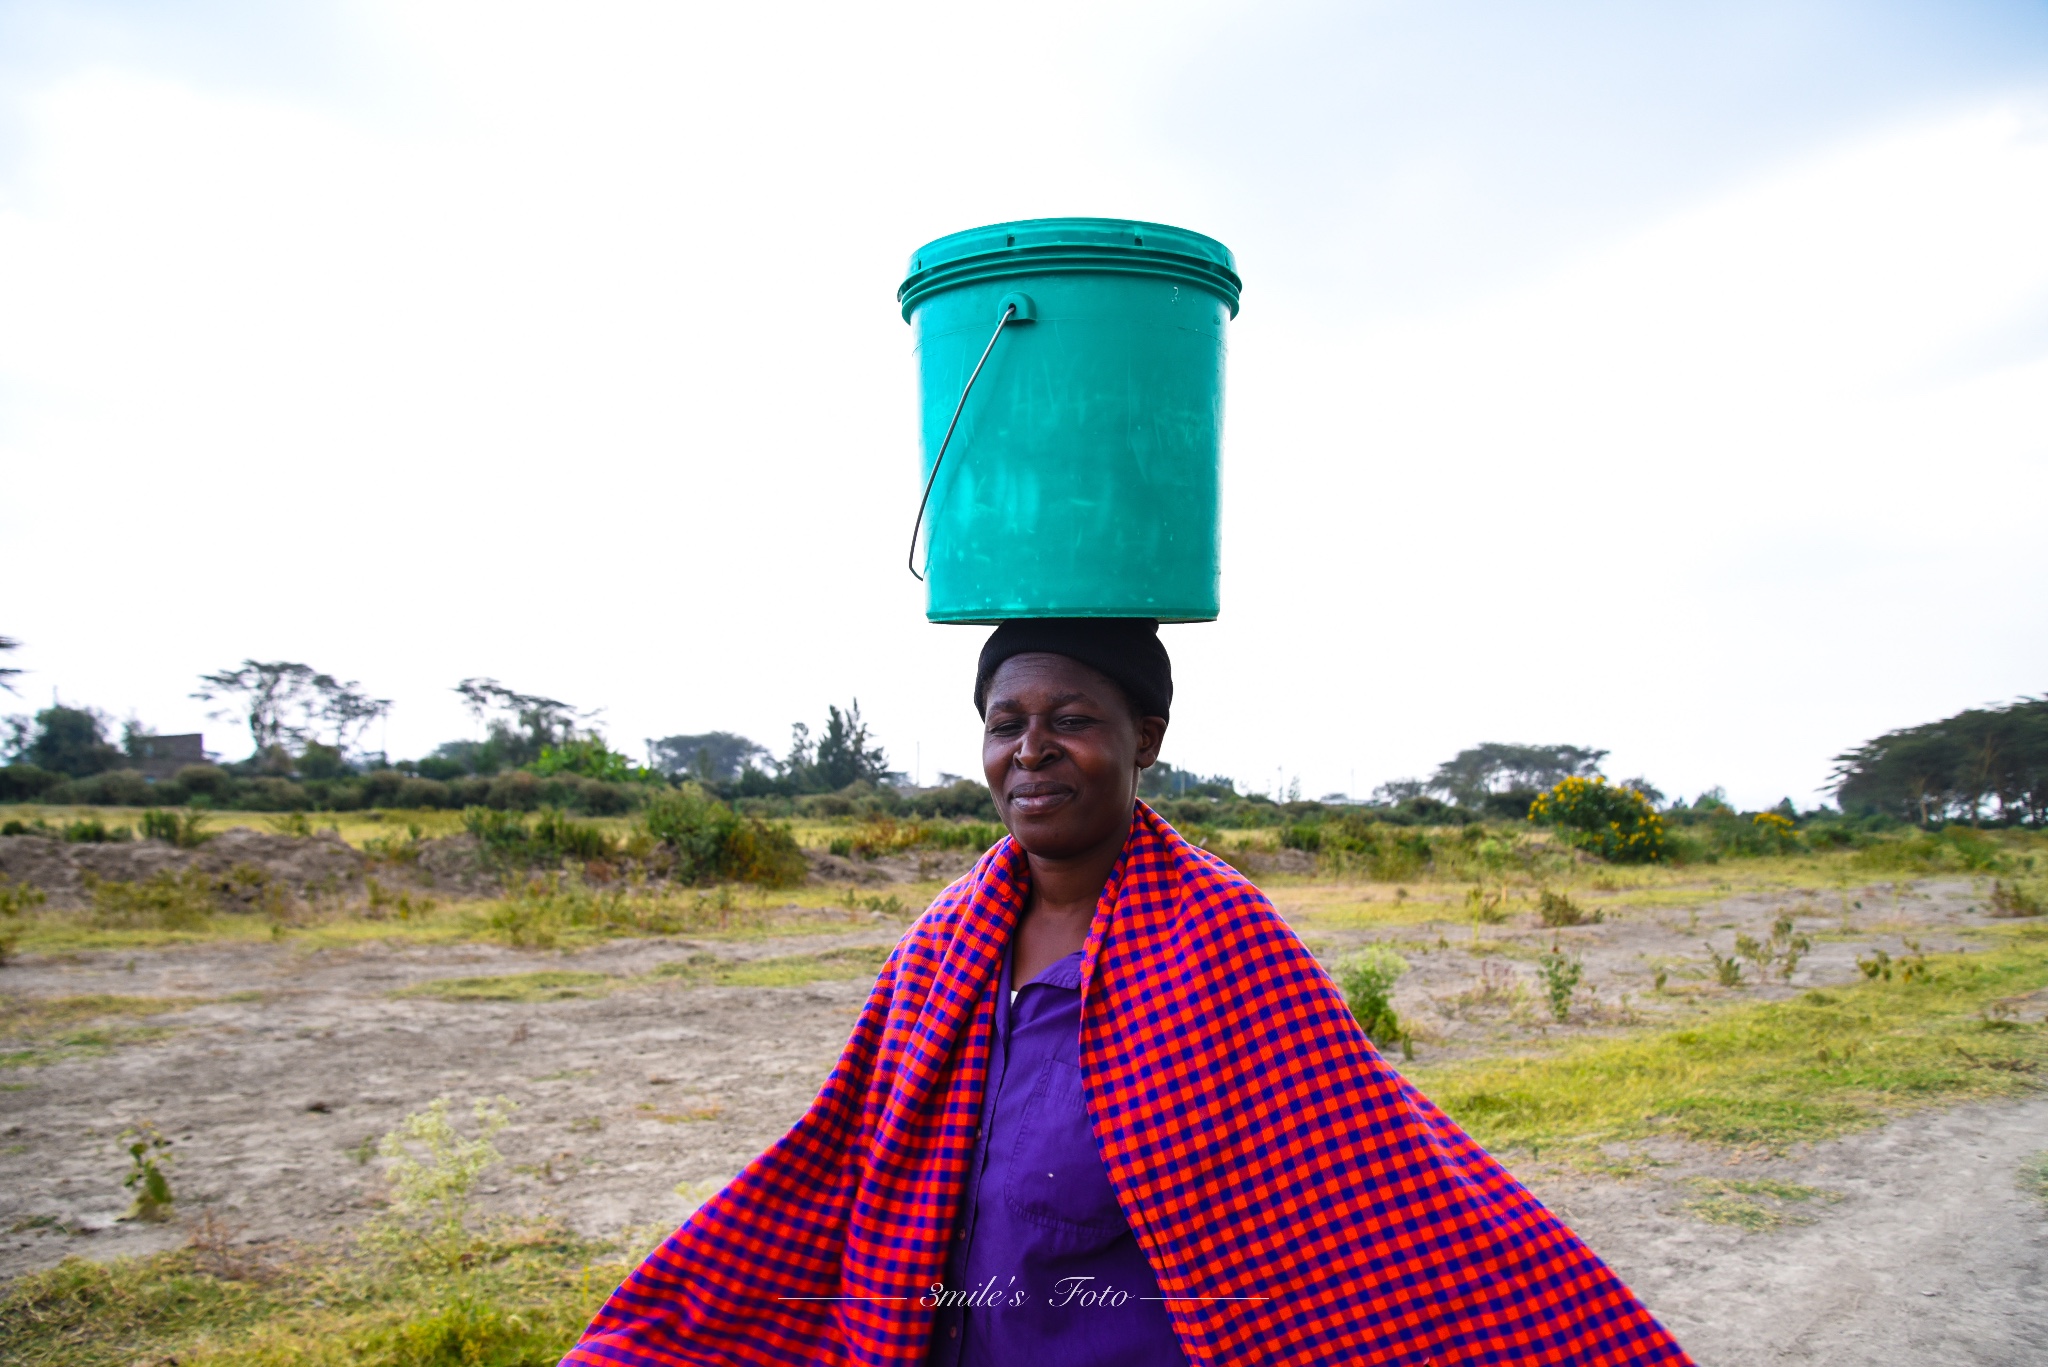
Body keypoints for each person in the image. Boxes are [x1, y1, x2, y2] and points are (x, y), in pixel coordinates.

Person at [562, 618, 1692, 1367]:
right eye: (1006, 723)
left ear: (1145, 736)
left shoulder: (1224, 939)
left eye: (1072, 719)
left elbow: (1373, 1181)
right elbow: (847, 1162)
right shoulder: (942, 942)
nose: (1031, 750)